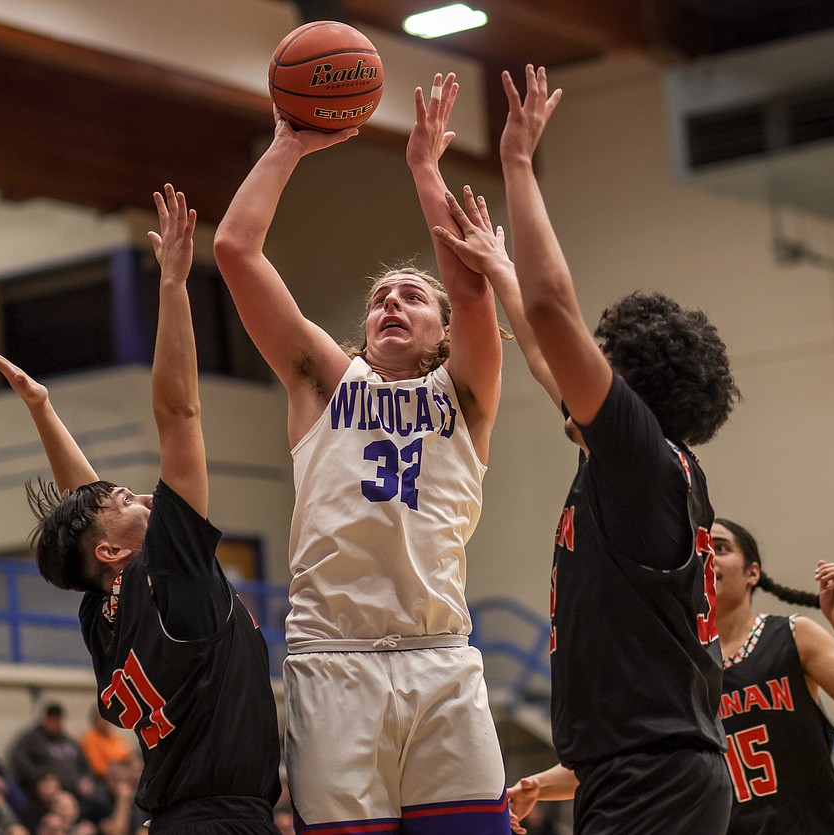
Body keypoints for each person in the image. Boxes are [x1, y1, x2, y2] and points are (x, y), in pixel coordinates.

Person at [434, 65, 740, 833]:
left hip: (657, 778)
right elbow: (544, 351)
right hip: (634, 772)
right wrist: (500, 270)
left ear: (630, 386)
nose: (580, 370)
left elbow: (552, 309)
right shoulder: (638, 466)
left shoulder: (642, 457)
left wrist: (516, 164)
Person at [212, 72, 509, 831]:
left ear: (442, 332)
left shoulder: (465, 395)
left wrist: (423, 169)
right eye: (381, 296)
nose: (390, 302)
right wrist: (286, 143)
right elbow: (236, 249)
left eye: (412, 294)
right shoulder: (323, 381)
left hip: (440, 655)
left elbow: (474, 292)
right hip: (335, 658)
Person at [0, 183, 281, 833]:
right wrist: (173, 285)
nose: (143, 494)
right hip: (220, 821)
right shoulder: (167, 576)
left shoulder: (104, 614)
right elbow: (179, 413)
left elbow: (83, 509)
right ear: (116, 551)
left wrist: (42, 409)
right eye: (127, 499)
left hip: (174, 816)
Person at [710, 518, 834, 834]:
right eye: (697, 551)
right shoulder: (682, 664)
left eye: (719, 548)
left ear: (753, 572)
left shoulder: (793, 636)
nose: (707, 557)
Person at [8, 705, 95, 808]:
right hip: (50, 792)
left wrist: (87, 779)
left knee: (98, 801)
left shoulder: (68, 740)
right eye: (52, 719)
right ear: (45, 719)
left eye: (58, 720)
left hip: (77, 789)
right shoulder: (32, 739)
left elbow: (85, 763)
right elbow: (19, 760)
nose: (55, 723)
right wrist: (41, 778)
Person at [79, 710, 136, 780]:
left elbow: (128, 754)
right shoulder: (89, 739)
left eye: (107, 718)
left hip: (123, 770)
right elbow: (98, 766)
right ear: (94, 721)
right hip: (103, 778)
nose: (105, 722)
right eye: (102, 719)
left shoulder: (116, 737)